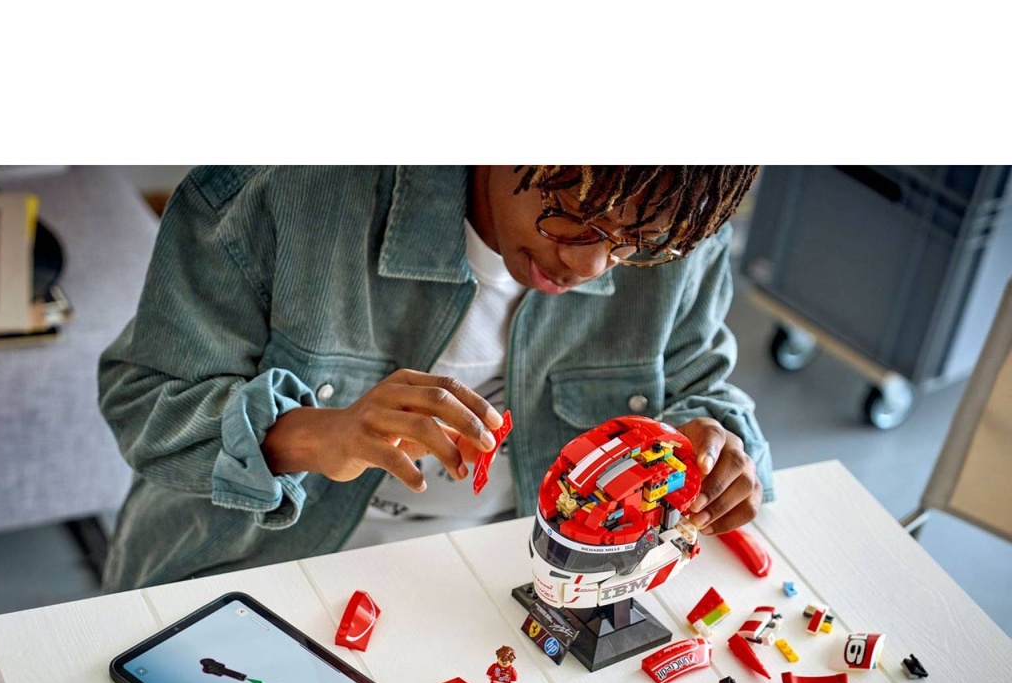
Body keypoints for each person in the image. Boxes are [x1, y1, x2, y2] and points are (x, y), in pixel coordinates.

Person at [98, 166, 771, 593]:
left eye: (633, 244)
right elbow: (144, 400)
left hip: (496, 585)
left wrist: (720, 450)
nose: (592, 265)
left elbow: (701, 388)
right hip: (255, 573)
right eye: (577, 214)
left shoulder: (672, 219)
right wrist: (317, 436)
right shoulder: (284, 190)